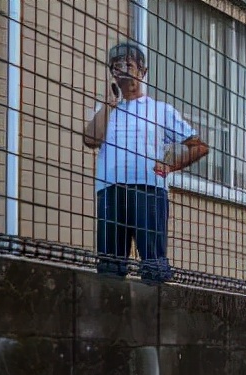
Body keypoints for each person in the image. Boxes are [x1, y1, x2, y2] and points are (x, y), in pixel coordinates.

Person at [82, 42, 207, 282]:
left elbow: (199, 146)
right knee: (109, 263)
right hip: (109, 189)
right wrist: (109, 105)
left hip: (149, 189)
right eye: (116, 66)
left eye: (128, 64)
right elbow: (90, 140)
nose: (122, 69)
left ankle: (156, 309)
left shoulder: (160, 110)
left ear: (142, 71)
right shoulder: (106, 110)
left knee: (152, 261)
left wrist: (171, 167)